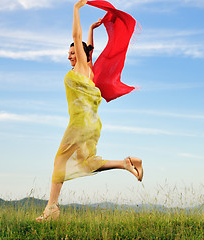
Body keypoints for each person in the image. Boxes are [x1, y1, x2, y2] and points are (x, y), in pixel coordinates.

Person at [36, 0, 143, 222]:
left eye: (73, 52)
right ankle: (126, 163)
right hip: (89, 124)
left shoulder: (82, 68)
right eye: (69, 53)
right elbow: (88, 50)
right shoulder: (89, 70)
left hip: (80, 124)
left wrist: (76, 9)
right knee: (86, 162)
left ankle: (51, 210)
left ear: (81, 56)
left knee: (59, 162)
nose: (69, 56)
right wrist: (93, 30)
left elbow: (78, 38)